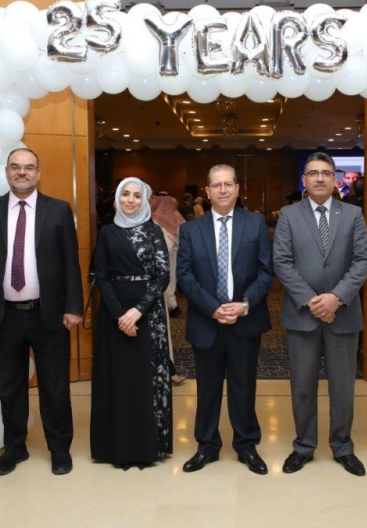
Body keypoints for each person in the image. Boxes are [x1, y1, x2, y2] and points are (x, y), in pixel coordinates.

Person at [0, 148, 83, 476]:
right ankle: (15, 449)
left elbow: (70, 263)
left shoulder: (58, 210)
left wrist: (73, 307)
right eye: (16, 167)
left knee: (55, 387)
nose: (22, 172)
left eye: (29, 167)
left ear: (38, 173)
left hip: (49, 315)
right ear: (6, 171)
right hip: (3, 316)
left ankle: (59, 449)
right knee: (10, 387)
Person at [273, 151, 367, 477]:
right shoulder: (289, 215)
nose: (319, 178)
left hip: (343, 315)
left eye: (326, 173)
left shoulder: (353, 214)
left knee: (343, 387)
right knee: (302, 386)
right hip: (303, 315)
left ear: (335, 179)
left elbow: (362, 260)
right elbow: (282, 262)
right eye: (313, 173)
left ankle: (343, 447)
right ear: (304, 180)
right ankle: (303, 446)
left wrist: (336, 298)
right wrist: (313, 301)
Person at [176, 164, 273, 475]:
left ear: (237, 188)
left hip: (245, 320)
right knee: (207, 389)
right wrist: (213, 308)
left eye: (228, 184)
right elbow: (185, 276)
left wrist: (243, 305)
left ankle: (246, 445)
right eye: (216, 185)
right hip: (207, 321)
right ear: (207, 191)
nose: (222, 190)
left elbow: (266, 272)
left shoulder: (255, 224)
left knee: (244, 387)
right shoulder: (191, 230)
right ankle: (207, 445)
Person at [90, 178, 173, 470]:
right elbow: (100, 276)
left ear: (144, 201)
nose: (130, 200)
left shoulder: (154, 231)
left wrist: (137, 311)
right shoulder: (107, 232)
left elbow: (163, 275)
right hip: (113, 315)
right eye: (125, 194)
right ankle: (116, 447)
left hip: (148, 315)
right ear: (117, 198)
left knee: (144, 380)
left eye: (137, 196)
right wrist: (119, 314)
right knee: (118, 379)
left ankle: (147, 446)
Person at [150, 191, 187, 385]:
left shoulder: (156, 222)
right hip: (162, 280)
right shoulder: (176, 219)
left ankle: (167, 370)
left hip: (161, 280)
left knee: (160, 332)